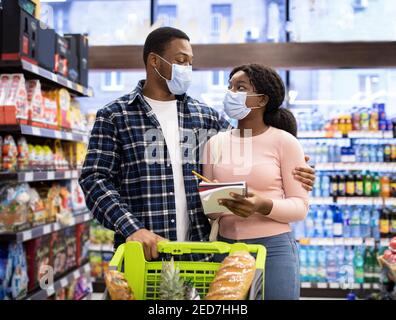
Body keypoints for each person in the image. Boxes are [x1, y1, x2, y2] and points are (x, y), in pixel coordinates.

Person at [79, 27, 315, 262]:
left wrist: (295, 165)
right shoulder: (115, 116)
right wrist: (132, 228)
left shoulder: (205, 117)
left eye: (190, 63)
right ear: (154, 61)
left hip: (199, 254)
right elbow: (94, 179)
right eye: (181, 61)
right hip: (143, 253)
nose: (187, 70)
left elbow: (254, 146)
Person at [203, 64, 309, 300]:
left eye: (240, 88)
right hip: (226, 248)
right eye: (229, 87)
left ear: (261, 100)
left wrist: (262, 205)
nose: (231, 93)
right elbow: (209, 210)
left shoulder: (285, 142)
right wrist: (217, 206)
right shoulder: (215, 143)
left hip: (273, 249)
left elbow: (300, 207)